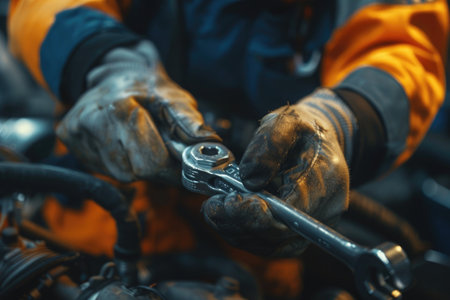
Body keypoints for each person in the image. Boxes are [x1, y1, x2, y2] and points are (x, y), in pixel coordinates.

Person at [7, 0, 448, 298]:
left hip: (257, 259)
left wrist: (341, 121)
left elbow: (404, 52)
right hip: (88, 217)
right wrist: (103, 63)